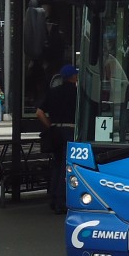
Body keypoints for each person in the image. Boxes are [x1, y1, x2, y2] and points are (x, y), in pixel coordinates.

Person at [36, 64, 78, 214]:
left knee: (56, 164)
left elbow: (39, 112)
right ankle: (61, 200)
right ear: (74, 77)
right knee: (65, 167)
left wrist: (50, 126)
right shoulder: (77, 93)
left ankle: (53, 198)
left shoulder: (53, 92)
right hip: (71, 131)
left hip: (55, 131)